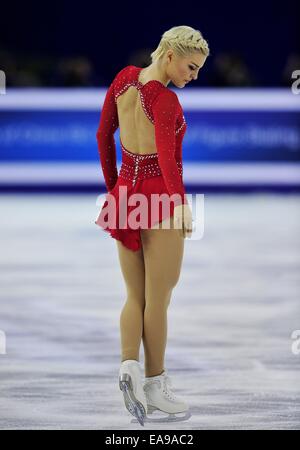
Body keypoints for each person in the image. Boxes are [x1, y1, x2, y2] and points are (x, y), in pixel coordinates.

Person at [95, 25, 209, 425]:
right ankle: (156, 385)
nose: (193, 76)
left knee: (134, 297)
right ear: (170, 56)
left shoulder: (123, 79)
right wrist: (180, 205)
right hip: (160, 199)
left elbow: (102, 135)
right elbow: (166, 157)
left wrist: (116, 189)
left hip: (126, 196)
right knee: (158, 300)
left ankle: (128, 367)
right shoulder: (164, 100)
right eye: (191, 67)